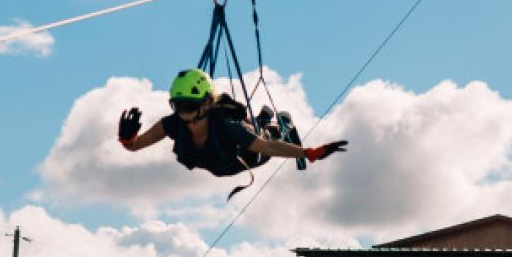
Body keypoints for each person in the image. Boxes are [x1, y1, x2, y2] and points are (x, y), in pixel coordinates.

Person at [118, 68, 347, 181]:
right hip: (219, 165)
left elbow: (269, 149)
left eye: (189, 106)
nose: (183, 113)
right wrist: (127, 139)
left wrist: (310, 152)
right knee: (249, 128)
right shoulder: (172, 124)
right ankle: (262, 120)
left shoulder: (226, 125)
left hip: (249, 158)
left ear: (207, 103)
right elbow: (134, 146)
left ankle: (277, 125)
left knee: (263, 136)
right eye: (177, 106)